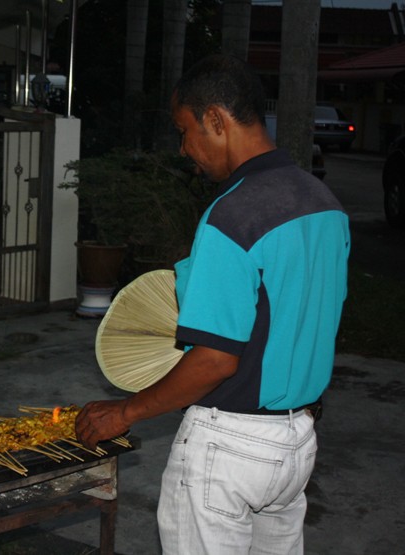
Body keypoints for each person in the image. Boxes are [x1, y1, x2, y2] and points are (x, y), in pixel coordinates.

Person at [75, 55, 350, 554]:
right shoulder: (324, 203)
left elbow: (216, 360)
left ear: (217, 121)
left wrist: (125, 413)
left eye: (184, 132)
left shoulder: (232, 216)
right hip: (297, 445)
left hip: (230, 449)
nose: (184, 149)